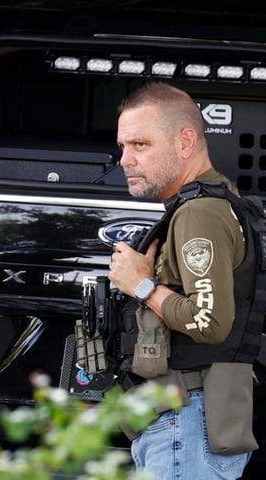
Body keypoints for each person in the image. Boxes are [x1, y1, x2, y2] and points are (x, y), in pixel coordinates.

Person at [107, 82, 255, 479]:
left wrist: (140, 285)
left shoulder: (200, 213)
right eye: (123, 147)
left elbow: (210, 322)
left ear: (185, 141)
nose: (125, 159)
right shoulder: (209, 204)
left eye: (140, 145)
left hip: (186, 424)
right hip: (183, 420)